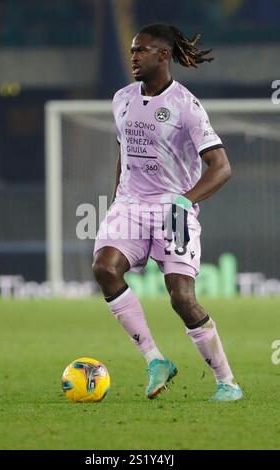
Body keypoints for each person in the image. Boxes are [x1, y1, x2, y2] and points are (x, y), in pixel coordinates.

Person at [92, 24, 243, 401]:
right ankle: (155, 360)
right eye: (131, 50)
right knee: (105, 268)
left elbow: (221, 167)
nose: (134, 57)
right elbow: (123, 153)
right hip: (130, 204)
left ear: (163, 56)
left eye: (141, 50)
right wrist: (116, 200)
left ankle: (227, 382)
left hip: (173, 207)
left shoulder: (185, 107)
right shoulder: (122, 99)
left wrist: (185, 200)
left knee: (181, 298)